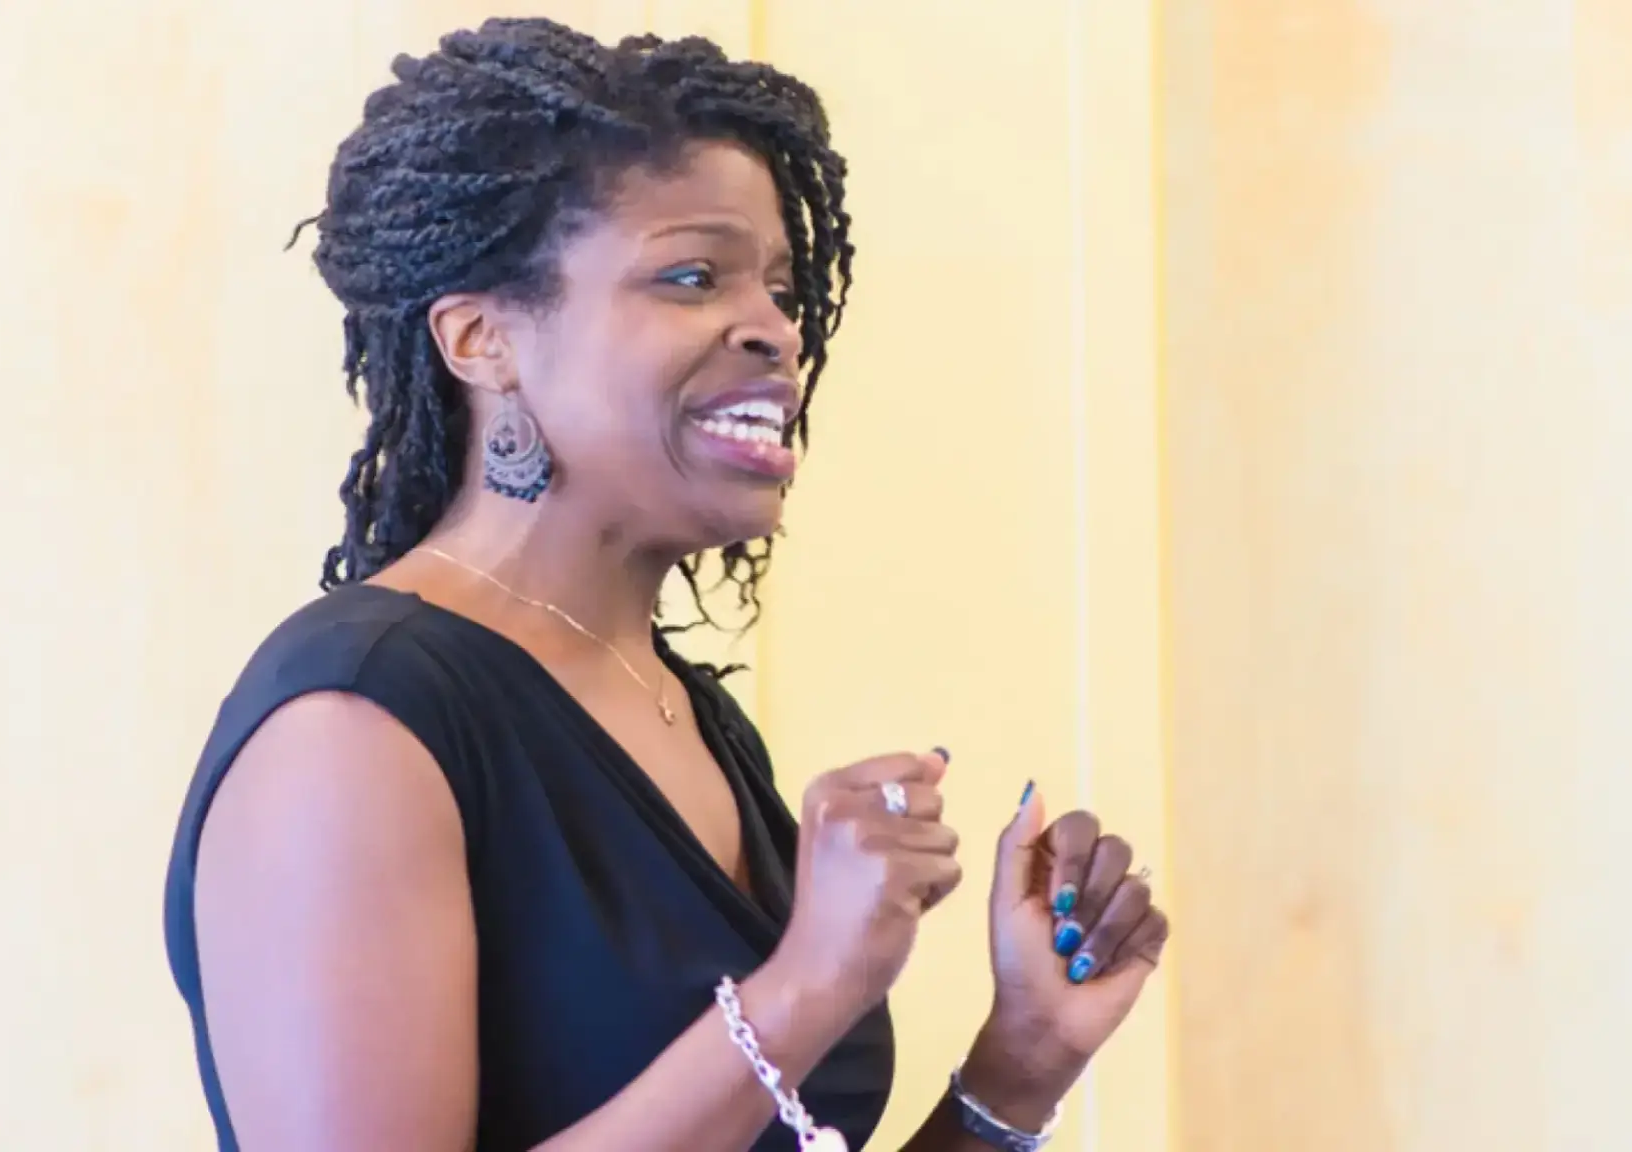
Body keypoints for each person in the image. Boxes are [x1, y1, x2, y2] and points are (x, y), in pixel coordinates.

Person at [161, 17, 1168, 1152]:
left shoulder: (686, 715)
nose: (775, 332)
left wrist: (1019, 1067)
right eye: (693, 277)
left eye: (783, 289)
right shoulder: (356, 723)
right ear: (482, 338)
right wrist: (804, 989)